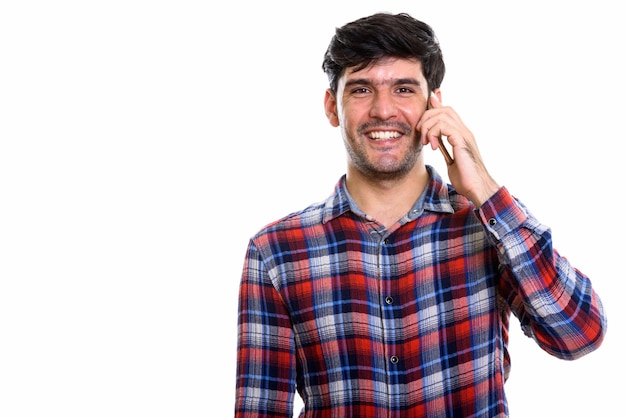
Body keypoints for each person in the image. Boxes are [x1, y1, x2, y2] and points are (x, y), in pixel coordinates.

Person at [234, 12, 606, 417]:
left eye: (404, 89)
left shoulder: (488, 226)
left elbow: (580, 335)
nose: (383, 110)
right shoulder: (275, 251)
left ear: (434, 105)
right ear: (332, 107)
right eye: (361, 89)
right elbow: (260, 409)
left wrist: (484, 189)